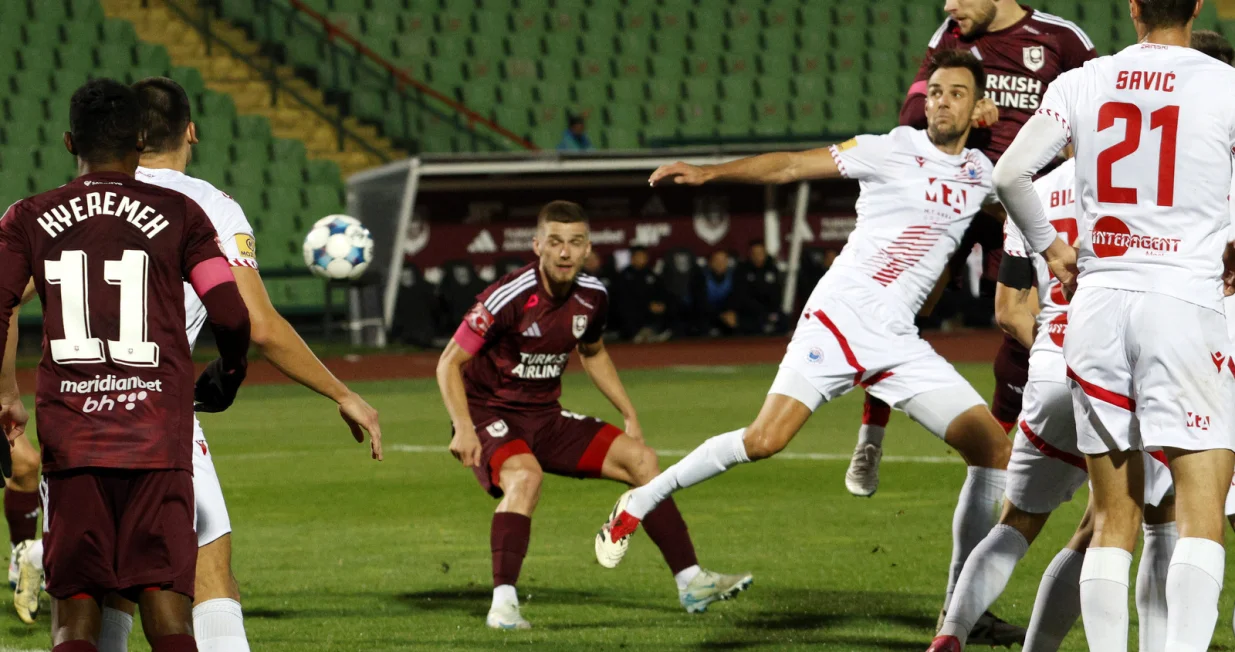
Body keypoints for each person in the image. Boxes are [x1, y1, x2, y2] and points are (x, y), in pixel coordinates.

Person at [595, 52, 1013, 636]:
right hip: (839, 319)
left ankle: (957, 611)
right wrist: (712, 172)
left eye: (956, 94)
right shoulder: (889, 148)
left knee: (993, 451)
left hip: (897, 340)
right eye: (935, 92)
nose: (941, 102)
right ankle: (639, 502)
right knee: (766, 439)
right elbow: (790, 165)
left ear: (975, 105)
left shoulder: (982, 173)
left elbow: (1028, 192)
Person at [12, 75, 386, 651]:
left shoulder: (48, 213)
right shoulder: (199, 207)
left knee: (91, 596)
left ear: (73, 141)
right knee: (199, 580)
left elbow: (5, 300)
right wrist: (332, 390)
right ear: (187, 131)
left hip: (75, 425)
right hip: (160, 422)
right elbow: (250, 321)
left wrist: (6, 395)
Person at [993, 1, 1235, 649]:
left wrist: (1049, 246)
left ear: (1131, 9)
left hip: (1096, 304)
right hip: (1181, 300)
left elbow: (1008, 173)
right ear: (1197, 7)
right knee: (1199, 511)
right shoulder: (1224, 83)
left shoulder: (1081, 80)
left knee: (1111, 518)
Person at [0, 78, 253, 652]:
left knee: (77, 614)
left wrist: (5, 397)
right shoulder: (184, 214)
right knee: (168, 610)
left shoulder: (28, 217)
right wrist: (229, 370)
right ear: (140, 141)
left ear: (69, 142)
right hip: (157, 440)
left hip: (73, 440)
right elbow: (231, 312)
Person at [845, 0, 1097, 547]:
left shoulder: (1061, 39)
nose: (948, 5)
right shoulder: (951, 36)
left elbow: (1097, 108)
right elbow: (914, 116)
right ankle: (871, 433)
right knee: (899, 309)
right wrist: (966, 109)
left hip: (1028, 209)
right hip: (963, 197)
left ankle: (1029, 415)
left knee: (1036, 316)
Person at [436, 200, 751, 630]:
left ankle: (691, 581)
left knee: (643, 462)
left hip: (545, 416)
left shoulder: (594, 296)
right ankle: (503, 605)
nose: (565, 252)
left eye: (575, 243)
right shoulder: (508, 296)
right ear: (537, 246)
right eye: (556, 243)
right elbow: (449, 362)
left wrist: (628, 411)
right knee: (525, 477)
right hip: (492, 412)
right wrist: (463, 427)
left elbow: (593, 351)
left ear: (588, 249)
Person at [927, 156, 1177, 652]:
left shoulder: (1034, 193)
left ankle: (949, 634)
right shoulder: (1145, 179)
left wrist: (1055, 347)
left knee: (1018, 522)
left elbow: (1007, 311)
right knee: (1143, 518)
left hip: (1048, 373)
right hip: (1121, 369)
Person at [612, 246, 671, 342]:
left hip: (651, 310)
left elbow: (661, 292)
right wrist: (647, 306)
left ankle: (652, 332)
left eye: (644, 256)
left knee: (668, 307)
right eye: (638, 256)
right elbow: (624, 298)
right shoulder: (624, 275)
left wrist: (660, 304)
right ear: (632, 258)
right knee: (627, 310)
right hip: (633, 311)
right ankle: (637, 334)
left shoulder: (651, 274)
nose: (641, 259)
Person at [735, 240, 786, 335]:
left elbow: (777, 293)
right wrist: (759, 310)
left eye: (760, 253)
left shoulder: (772, 269)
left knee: (783, 321)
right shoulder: (742, 270)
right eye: (755, 254)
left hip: (770, 310)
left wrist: (771, 311)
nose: (758, 257)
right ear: (750, 255)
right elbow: (742, 295)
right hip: (750, 311)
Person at [698, 250, 739, 336]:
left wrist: (730, 312)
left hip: (727, 313)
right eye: (717, 260)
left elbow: (736, 297)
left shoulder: (734, 276)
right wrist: (720, 315)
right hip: (707, 314)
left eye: (723, 260)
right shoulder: (701, 277)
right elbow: (701, 302)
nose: (720, 264)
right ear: (710, 263)